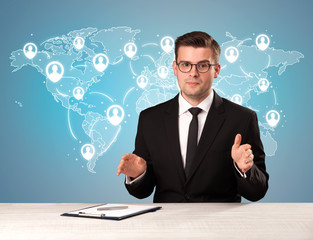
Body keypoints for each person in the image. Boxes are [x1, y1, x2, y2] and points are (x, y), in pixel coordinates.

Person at [117, 31, 269, 203]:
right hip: (166, 224)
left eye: (203, 65)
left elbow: (258, 191)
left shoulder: (242, 119)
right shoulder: (150, 119)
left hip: (220, 225)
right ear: (175, 68)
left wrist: (245, 169)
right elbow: (143, 191)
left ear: (216, 70)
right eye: (185, 65)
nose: (193, 73)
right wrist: (138, 174)